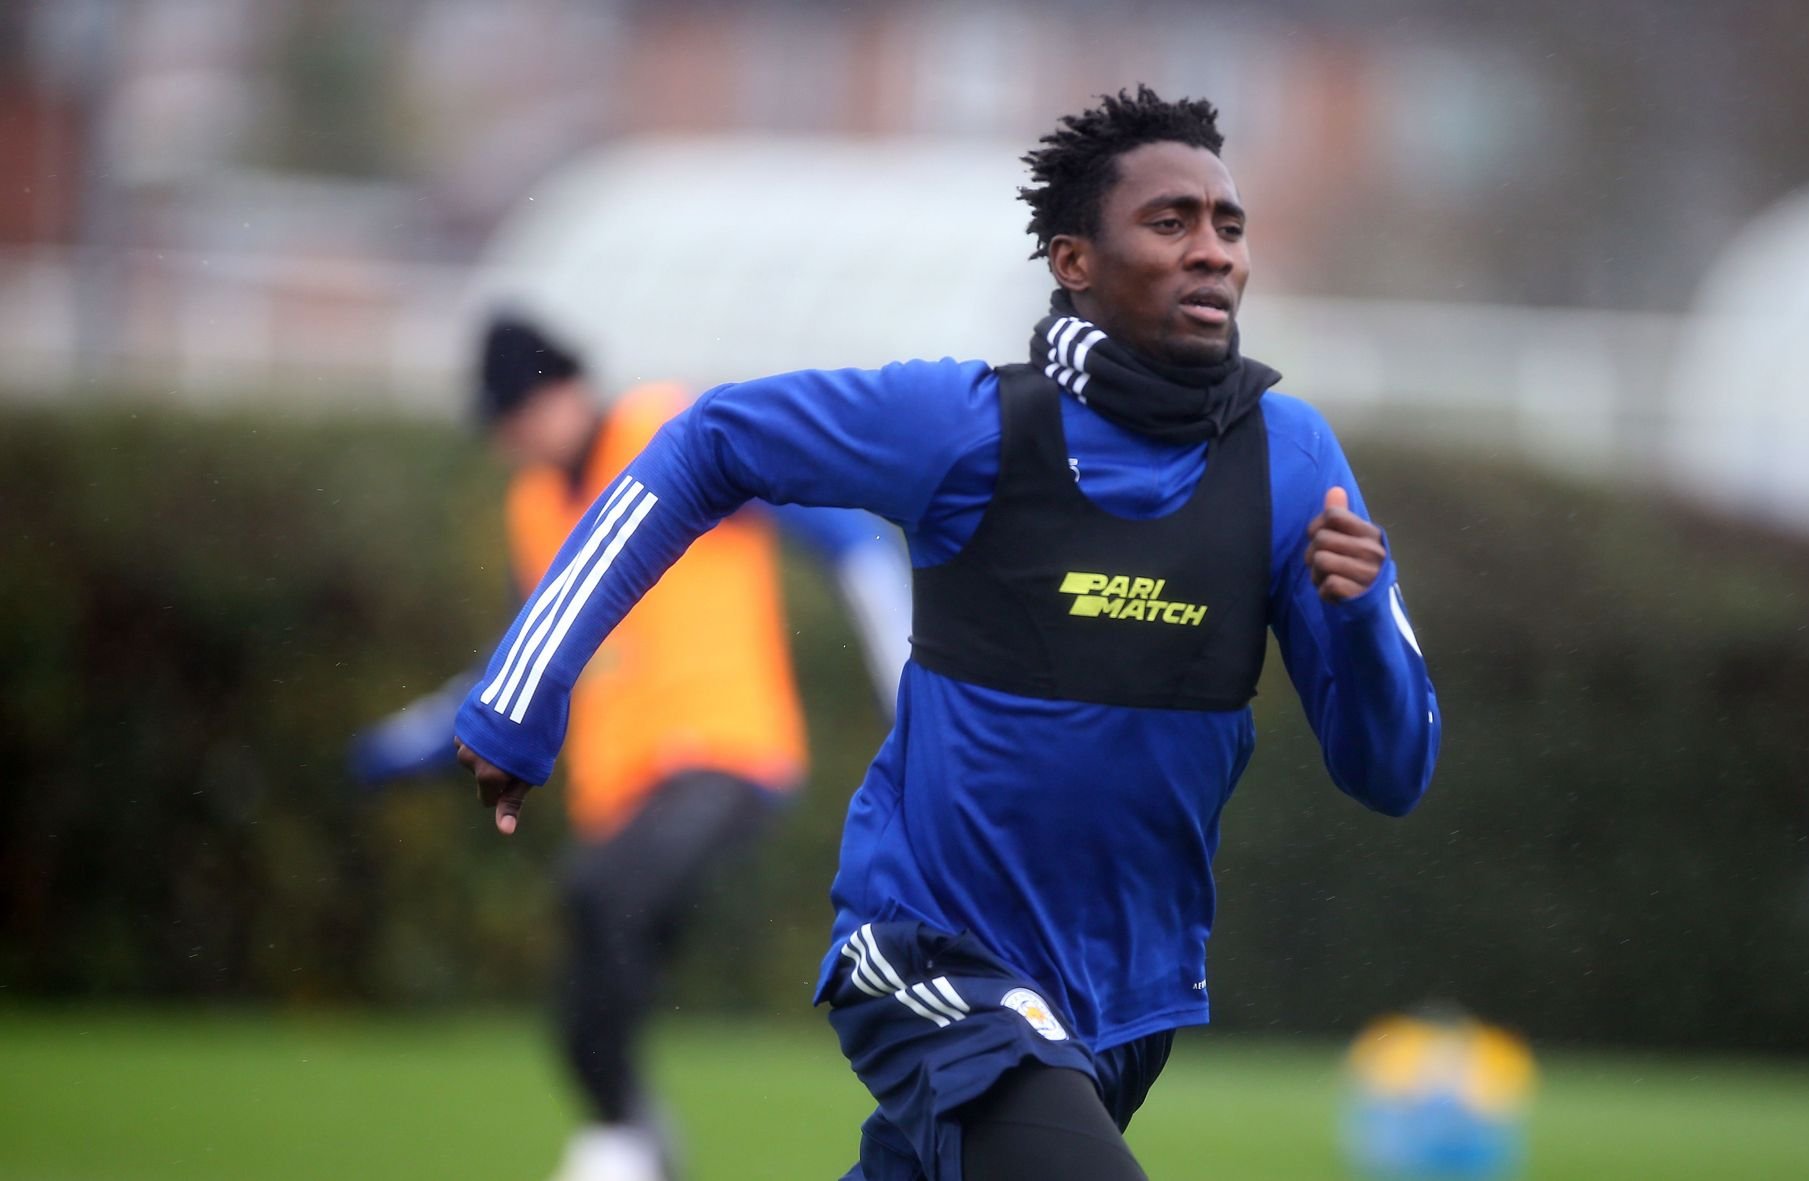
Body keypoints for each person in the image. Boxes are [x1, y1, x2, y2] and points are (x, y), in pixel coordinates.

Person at [453, 87, 1440, 1180]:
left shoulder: (1292, 461)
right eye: (1171, 222)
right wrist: (524, 690)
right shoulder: (967, 428)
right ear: (1074, 260)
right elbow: (709, 441)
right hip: (933, 952)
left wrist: (1358, 619)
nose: (1213, 250)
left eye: (1229, 225)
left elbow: (1390, 771)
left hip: (1127, 999)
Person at [354, 314, 911, 1181]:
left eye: (517, 415)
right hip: (620, 794)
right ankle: (636, 1135)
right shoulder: (533, 507)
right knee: (582, 988)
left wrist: (911, 687)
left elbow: (850, 540)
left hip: (725, 756)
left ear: (564, 392)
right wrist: (415, 741)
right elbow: (524, 653)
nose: (509, 442)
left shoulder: (671, 434)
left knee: (599, 892)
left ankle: (625, 1142)